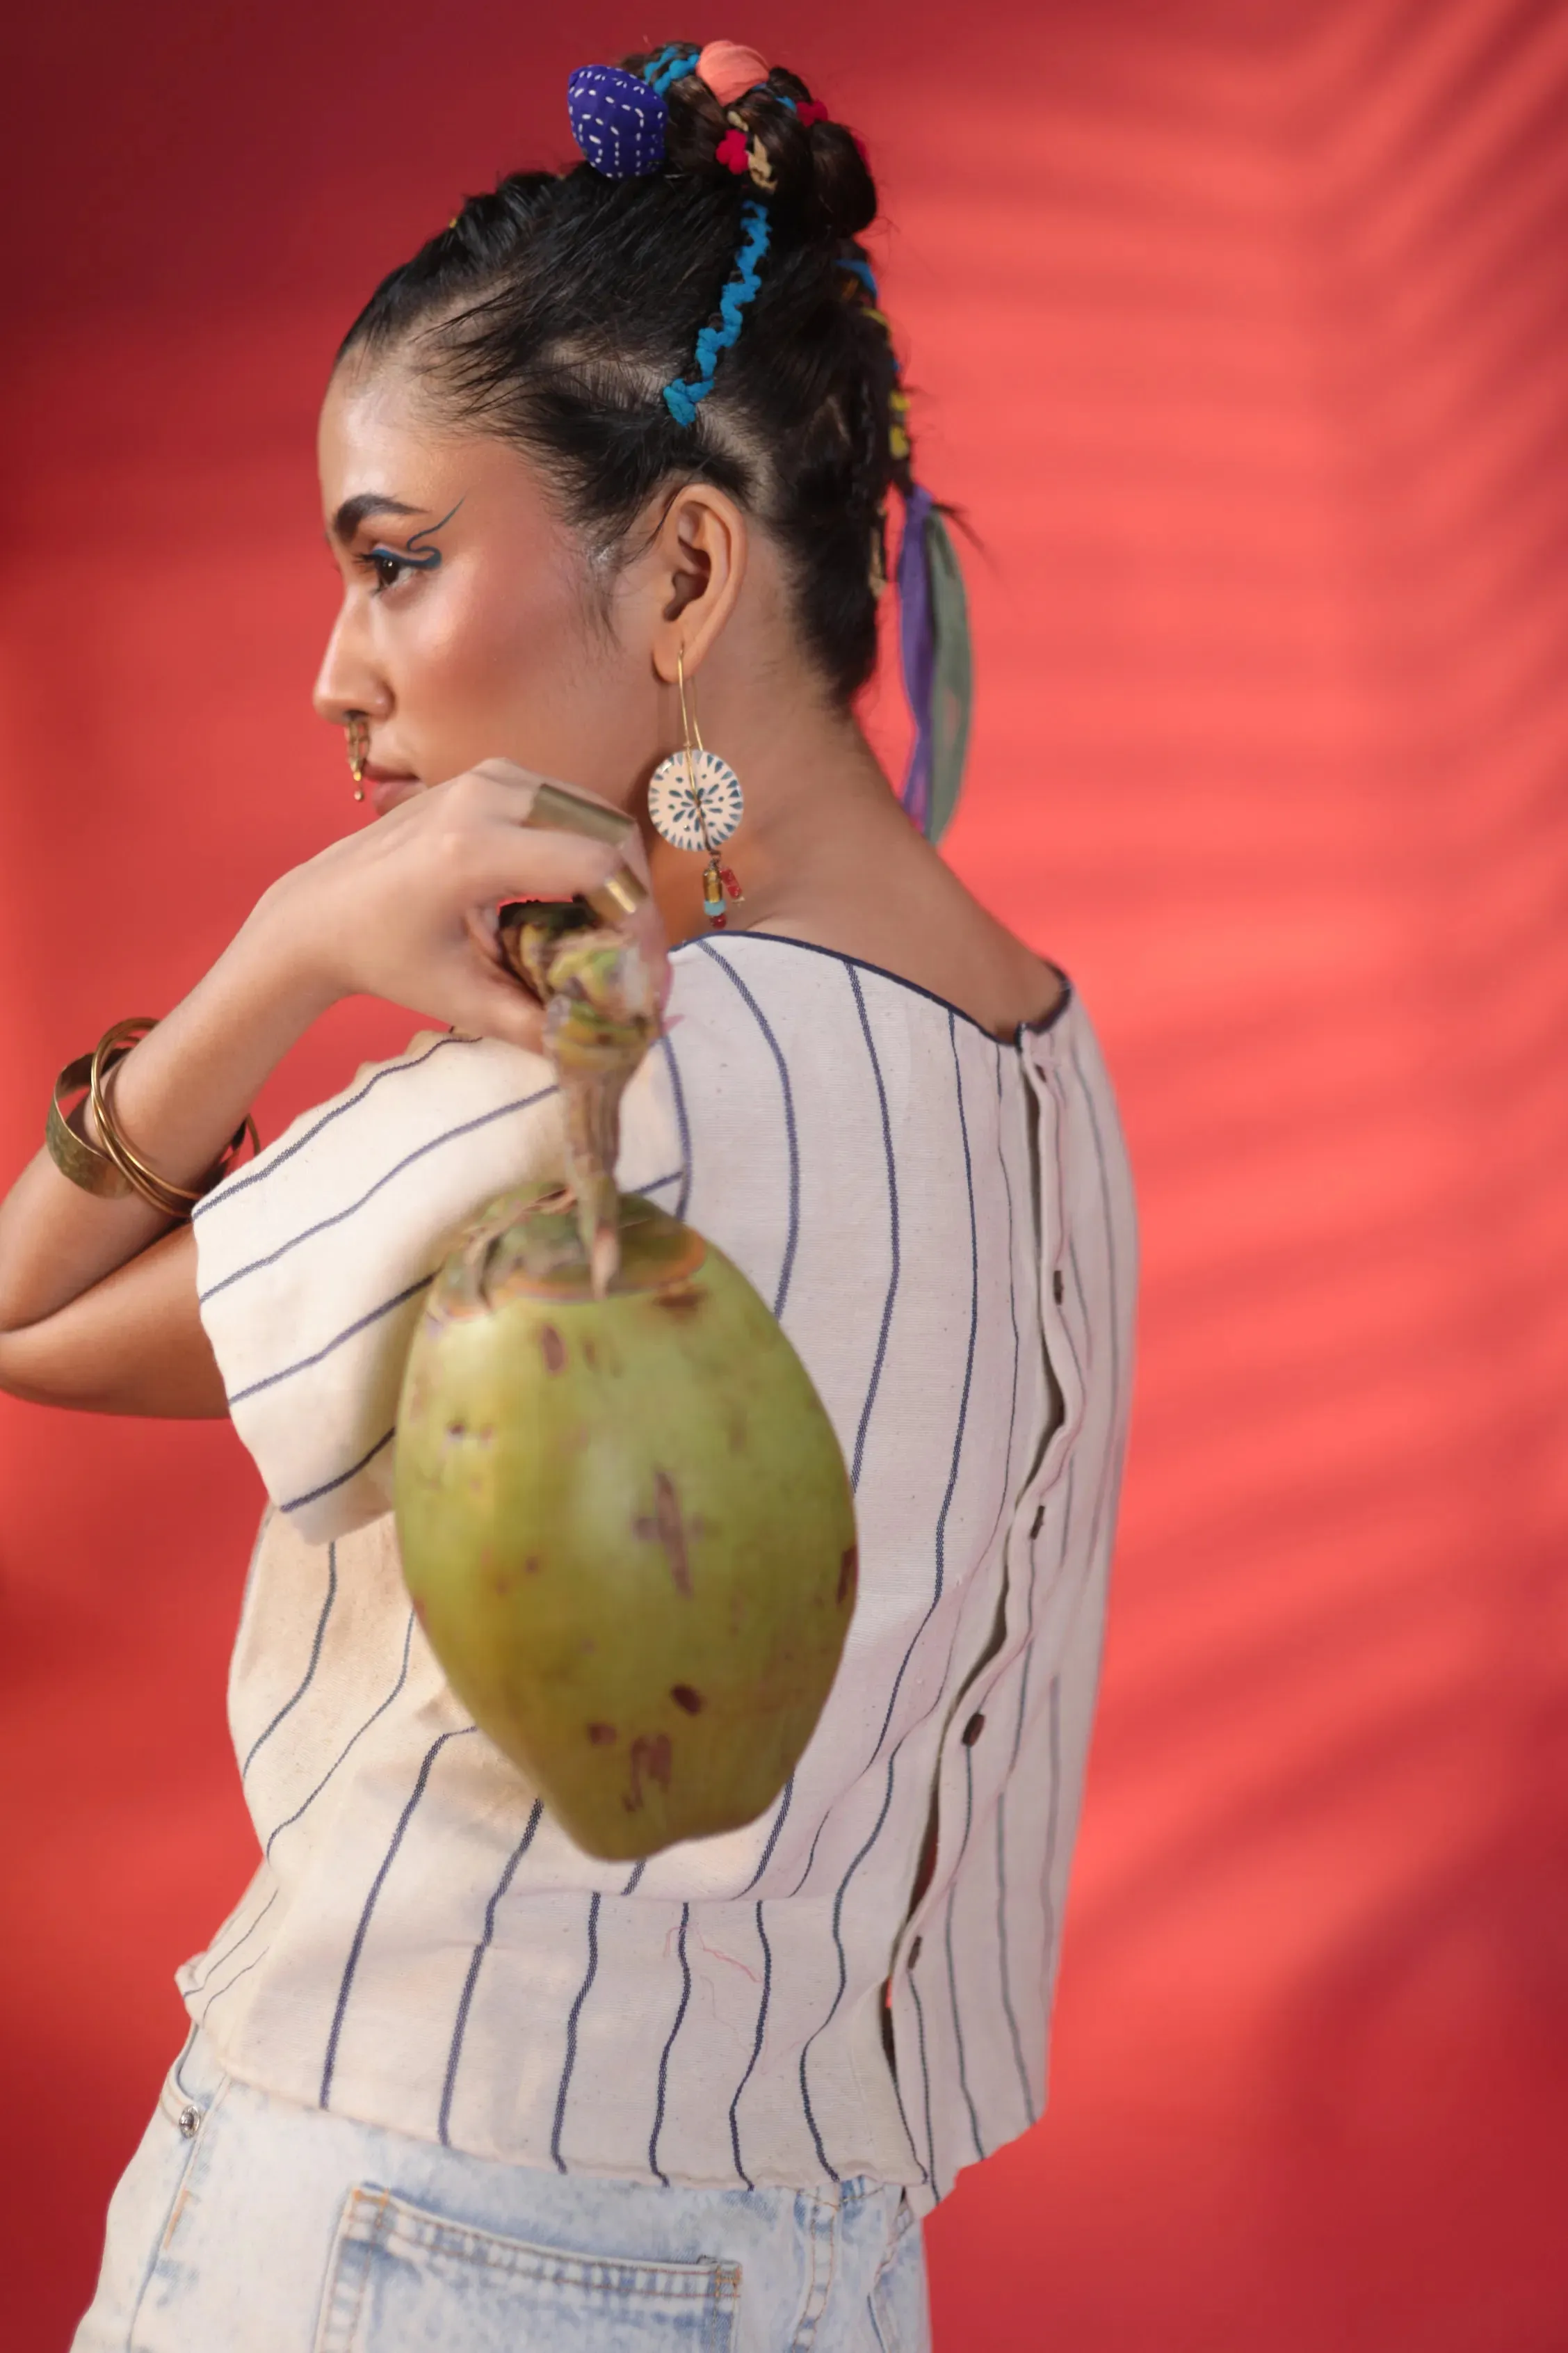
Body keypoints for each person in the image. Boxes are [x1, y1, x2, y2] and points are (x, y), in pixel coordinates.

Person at [0, 38, 1138, 2353]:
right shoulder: (1049, 1064)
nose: (339, 676)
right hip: (822, 2256)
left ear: (689, 565)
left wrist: (296, 937)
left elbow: (19, 1310)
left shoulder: (626, 1075)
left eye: (396, 566)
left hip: (409, 2225)